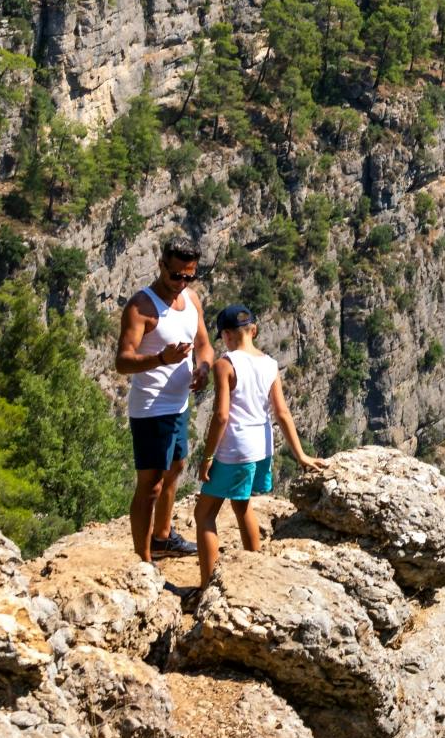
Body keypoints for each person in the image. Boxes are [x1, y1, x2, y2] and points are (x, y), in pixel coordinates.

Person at [194, 304, 322, 588]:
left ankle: (206, 587)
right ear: (254, 330)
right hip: (262, 447)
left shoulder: (225, 364)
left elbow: (221, 415)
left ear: (226, 335)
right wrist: (300, 454)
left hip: (234, 448)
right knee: (241, 505)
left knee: (204, 514)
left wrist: (207, 456)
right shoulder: (270, 363)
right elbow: (282, 413)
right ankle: (256, 569)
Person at [114, 239, 214, 562]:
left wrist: (203, 368)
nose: (182, 283)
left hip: (179, 406)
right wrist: (160, 359)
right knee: (151, 485)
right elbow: (122, 362)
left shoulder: (191, 300)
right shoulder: (141, 307)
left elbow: (204, 345)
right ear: (161, 266)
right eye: (176, 276)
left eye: (189, 276)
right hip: (151, 410)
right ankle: (142, 561)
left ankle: (162, 537)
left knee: (176, 468)